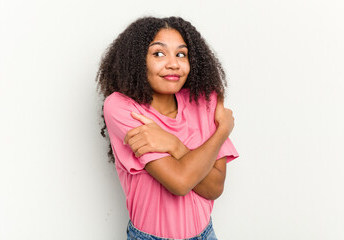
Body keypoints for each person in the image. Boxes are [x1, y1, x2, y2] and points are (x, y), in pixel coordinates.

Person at [96, 16, 239, 240]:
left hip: (205, 234)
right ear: (137, 60)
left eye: (181, 54)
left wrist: (173, 144)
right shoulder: (122, 108)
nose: (173, 63)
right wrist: (222, 131)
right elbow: (180, 183)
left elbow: (214, 188)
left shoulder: (205, 100)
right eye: (158, 53)